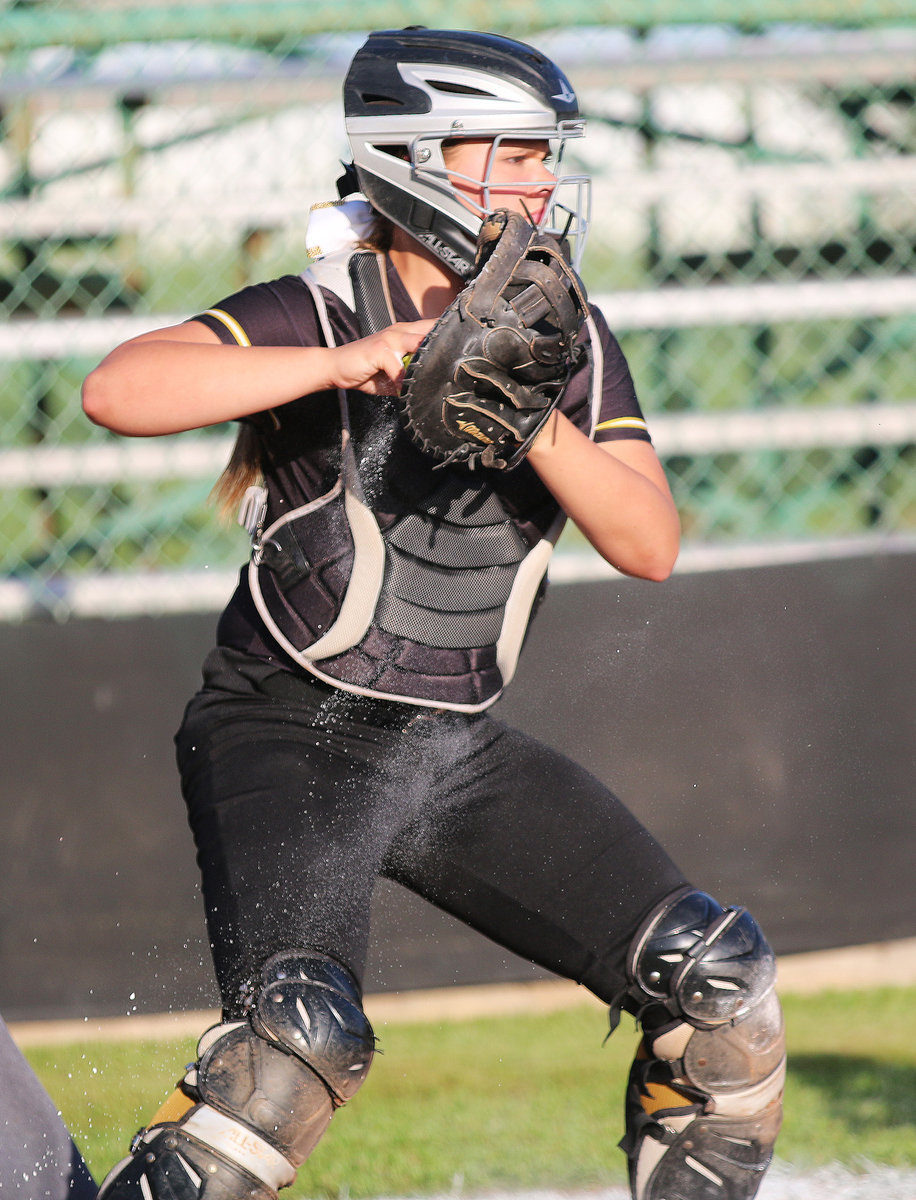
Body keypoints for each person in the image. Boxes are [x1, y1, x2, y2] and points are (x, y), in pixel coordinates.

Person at [82, 28, 785, 1200]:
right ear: (408, 158)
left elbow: (647, 543)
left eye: (542, 157)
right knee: (295, 1045)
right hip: (285, 728)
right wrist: (354, 360)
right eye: (503, 154)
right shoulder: (319, 306)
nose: (535, 185)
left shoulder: (563, 336)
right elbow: (120, 389)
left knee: (716, 987)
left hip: (446, 746)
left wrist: (532, 416)